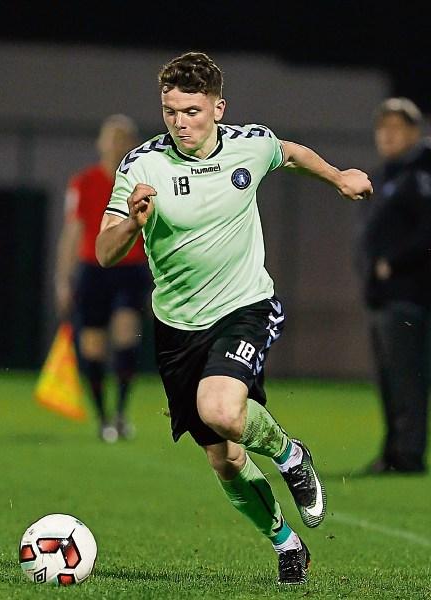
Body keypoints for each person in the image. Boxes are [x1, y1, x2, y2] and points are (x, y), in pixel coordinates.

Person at [96, 51, 373, 585]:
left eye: (192, 110)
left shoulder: (251, 144)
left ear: (218, 108)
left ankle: (292, 457)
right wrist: (132, 223)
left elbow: (289, 153)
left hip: (245, 307)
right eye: (170, 110)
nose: (180, 122)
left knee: (221, 408)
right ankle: (286, 544)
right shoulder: (142, 166)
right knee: (224, 460)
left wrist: (337, 177)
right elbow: (106, 252)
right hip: (177, 327)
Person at [54, 114, 151, 442]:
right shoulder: (83, 183)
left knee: (126, 336)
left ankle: (122, 413)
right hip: (92, 271)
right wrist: (63, 279)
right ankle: (104, 418)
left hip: (130, 269)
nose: (117, 144)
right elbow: (72, 231)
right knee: (92, 347)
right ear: (100, 142)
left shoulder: (142, 184)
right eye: (112, 137)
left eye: (124, 139)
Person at [355, 97, 431, 475]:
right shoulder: (387, 175)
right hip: (382, 297)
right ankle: (393, 451)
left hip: (407, 294)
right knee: (388, 379)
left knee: (406, 380)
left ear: (415, 132)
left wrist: (393, 262)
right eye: (382, 128)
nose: (386, 135)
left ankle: (408, 455)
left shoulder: (420, 174)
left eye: (396, 128)